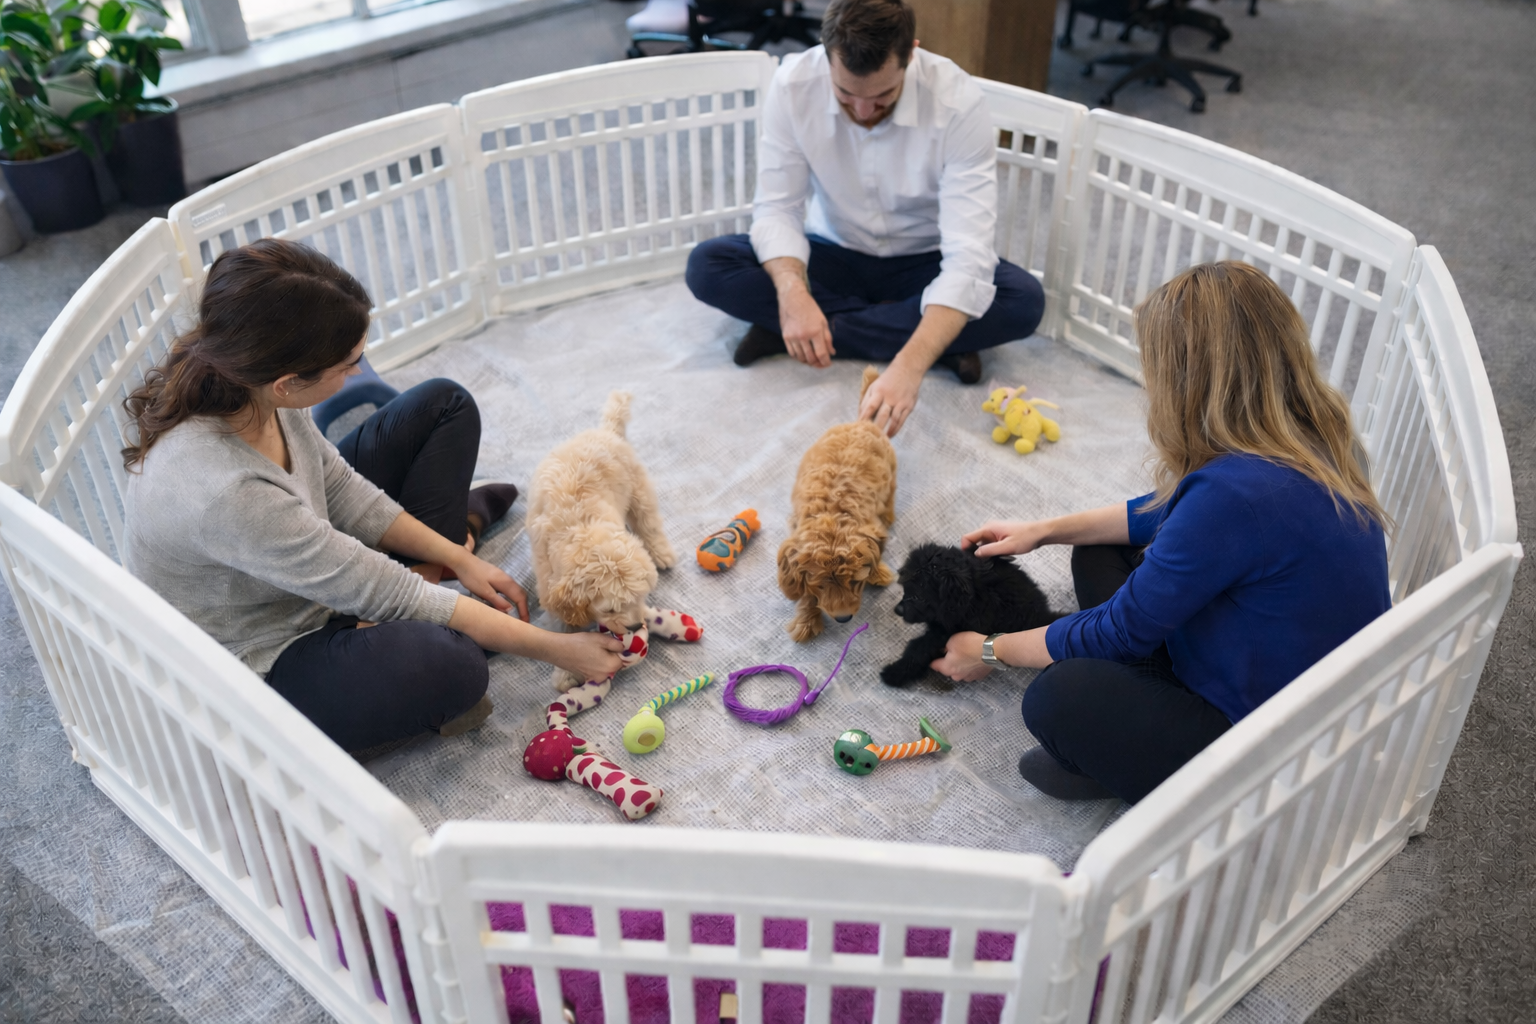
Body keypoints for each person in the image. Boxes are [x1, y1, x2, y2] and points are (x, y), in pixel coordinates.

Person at [121, 239, 623, 757]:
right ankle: (412, 599)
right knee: (455, 666)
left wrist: (456, 560)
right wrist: (560, 649)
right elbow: (388, 589)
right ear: (288, 382)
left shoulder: (257, 388)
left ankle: (443, 556)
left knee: (445, 404)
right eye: (348, 364)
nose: (358, 373)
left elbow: (339, 487)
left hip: (304, 553)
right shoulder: (230, 493)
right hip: (265, 656)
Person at [928, 261, 1392, 804]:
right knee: (1097, 549)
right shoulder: (1314, 434)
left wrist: (988, 650)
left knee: (1058, 696)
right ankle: (1130, 734)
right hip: (1286, 671)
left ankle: (1145, 762)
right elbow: (1170, 513)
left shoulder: (1234, 494)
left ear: (1188, 382)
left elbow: (1118, 631)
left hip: (1263, 739)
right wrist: (1043, 530)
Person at [683, 0, 1045, 438]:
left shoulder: (958, 100)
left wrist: (909, 367)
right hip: (833, 251)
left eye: (882, 95)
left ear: (911, 54)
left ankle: (795, 333)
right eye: (844, 93)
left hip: (923, 262)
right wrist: (793, 293)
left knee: (1023, 301)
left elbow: (969, 256)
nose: (863, 110)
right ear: (826, 55)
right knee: (709, 265)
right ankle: (940, 340)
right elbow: (778, 208)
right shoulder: (793, 84)